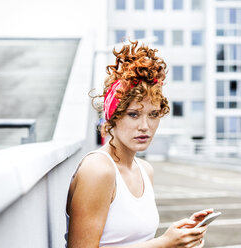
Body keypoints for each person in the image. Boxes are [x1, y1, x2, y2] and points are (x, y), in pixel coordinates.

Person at [65, 40, 213, 247]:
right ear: (113, 117)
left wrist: (179, 238)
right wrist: (163, 243)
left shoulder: (145, 170)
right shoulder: (98, 170)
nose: (145, 126)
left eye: (153, 114)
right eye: (133, 114)